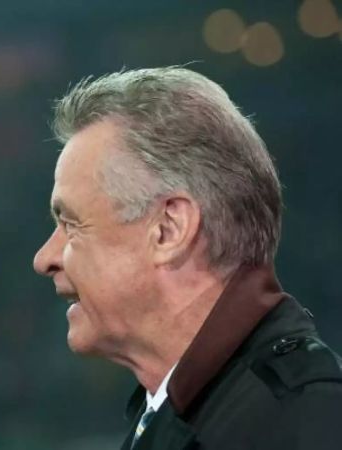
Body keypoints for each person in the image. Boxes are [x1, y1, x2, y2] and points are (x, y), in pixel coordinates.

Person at [33, 67, 342, 449]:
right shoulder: (199, 411)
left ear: (169, 229)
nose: (44, 258)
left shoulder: (306, 419)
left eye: (72, 224)